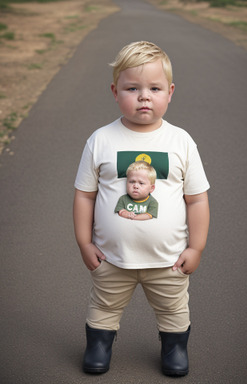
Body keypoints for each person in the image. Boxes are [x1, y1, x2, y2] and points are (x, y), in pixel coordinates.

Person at [73, 41, 210, 377]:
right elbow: (84, 195)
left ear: (170, 92)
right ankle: (99, 344)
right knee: (104, 306)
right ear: (115, 91)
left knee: (174, 309)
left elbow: (197, 199)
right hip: (111, 257)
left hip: (168, 259)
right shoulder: (101, 140)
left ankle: (174, 347)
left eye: (154, 88)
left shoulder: (180, 141)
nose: (144, 96)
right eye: (132, 88)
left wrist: (196, 246)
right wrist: (84, 242)